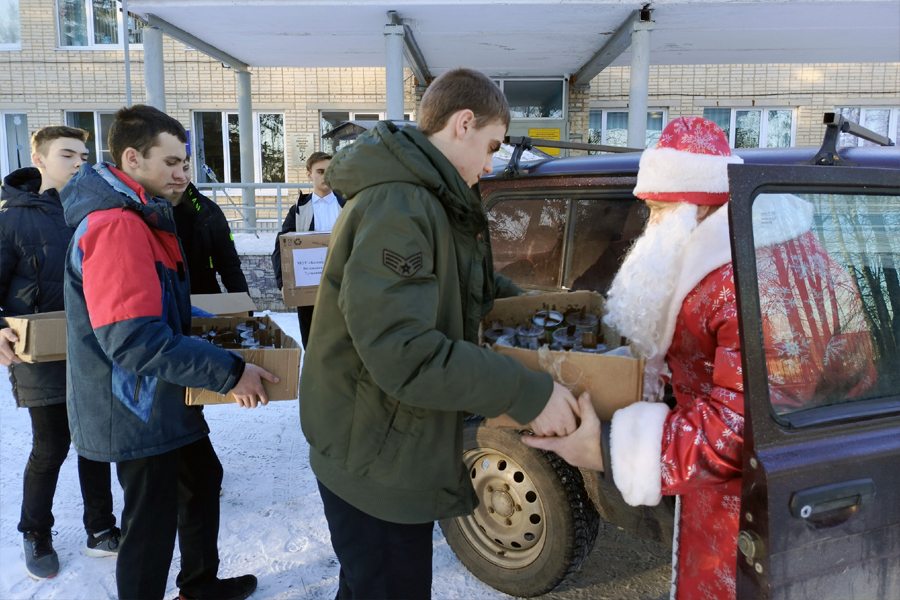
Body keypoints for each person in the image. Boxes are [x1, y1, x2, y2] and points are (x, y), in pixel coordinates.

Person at [523, 116, 875, 600]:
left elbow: (742, 431)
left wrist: (605, 448)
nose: (649, 223)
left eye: (656, 209)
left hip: (754, 507)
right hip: (779, 487)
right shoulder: (752, 249)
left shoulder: (749, 283)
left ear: (696, 205)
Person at [298, 68, 579, 599]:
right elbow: (403, 353)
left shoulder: (429, 197)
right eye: (491, 146)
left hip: (385, 445)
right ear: (463, 123)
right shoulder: (400, 205)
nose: (491, 164)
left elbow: (464, 285)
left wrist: (542, 309)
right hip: (375, 457)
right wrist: (527, 393)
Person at [61, 104, 278, 600]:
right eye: (172, 162)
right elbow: (132, 339)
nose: (183, 174)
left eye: (185, 162)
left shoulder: (142, 215)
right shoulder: (117, 226)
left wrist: (212, 324)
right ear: (132, 159)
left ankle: (199, 587)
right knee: (151, 520)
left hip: (158, 395)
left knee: (200, 478)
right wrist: (230, 371)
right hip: (134, 402)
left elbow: (155, 307)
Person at [0, 125, 120, 581]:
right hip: (39, 350)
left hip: (92, 345)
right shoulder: (11, 218)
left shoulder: (91, 211)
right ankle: (35, 531)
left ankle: (101, 529)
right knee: (51, 446)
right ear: (39, 159)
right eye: (68, 154)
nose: (78, 163)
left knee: (95, 441)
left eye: (83, 156)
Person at [271, 151, 345, 348]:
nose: (325, 176)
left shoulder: (348, 205)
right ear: (309, 174)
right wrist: (283, 283)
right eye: (320, 171)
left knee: (344, 346)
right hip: (309, 293)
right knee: (312, 345)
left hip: (343, 289)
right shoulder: (299, 209)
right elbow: (281, 247)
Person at [167, 159, 249, 295]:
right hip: (161, 303)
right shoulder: (144, 212)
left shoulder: (209, 211)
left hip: (205, 299)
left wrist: (244, 304)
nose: (181, 176)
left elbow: (230, 266)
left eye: (185, 168)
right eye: (172, 168)